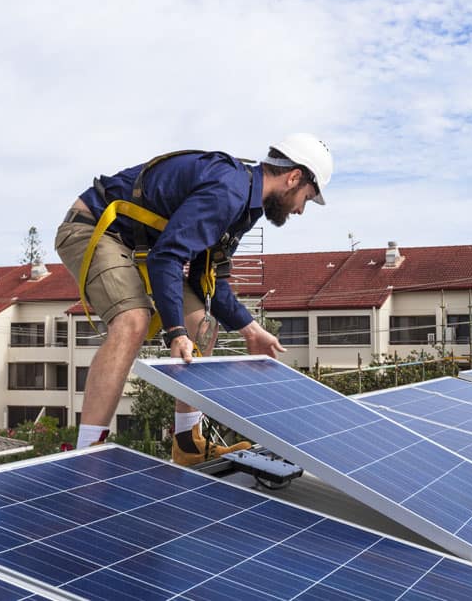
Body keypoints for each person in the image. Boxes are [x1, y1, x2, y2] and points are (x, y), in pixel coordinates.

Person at [55, 133, 333, 465]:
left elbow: (208, 282)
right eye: (307, 197)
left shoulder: (245, 204)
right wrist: (175, 332)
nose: (301, 210)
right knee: (133, 320)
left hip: (143, 245)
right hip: (95, 227)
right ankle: (87, 454)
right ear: (294, 177)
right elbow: (167, 258)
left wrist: (251, 330)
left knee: (202, 324)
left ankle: (187, 444)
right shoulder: (229, 190)